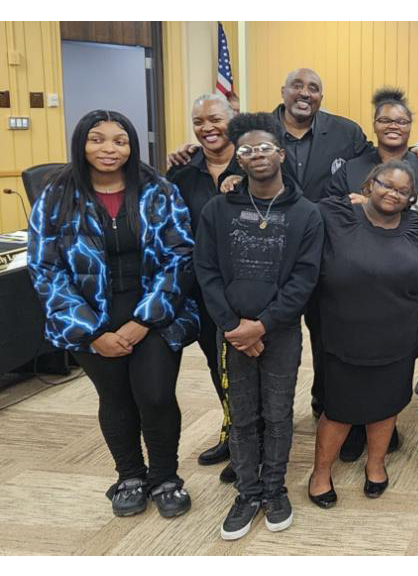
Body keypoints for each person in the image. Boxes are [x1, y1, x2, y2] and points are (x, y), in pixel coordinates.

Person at [27, 110, 198, 519]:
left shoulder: (158, 189)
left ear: (132, 145)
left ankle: (165, 477)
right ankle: (130, 476)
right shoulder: (56, 194)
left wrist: (144, 320)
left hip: (155, 311)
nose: (109, 149)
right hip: (89, 316)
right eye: (97, 139)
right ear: (81, 144)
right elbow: (45, 268)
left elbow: (180, 254)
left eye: (119, 140)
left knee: (155, 395)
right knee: (116, 397)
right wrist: (92, 331)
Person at [194, 112, 324, 540]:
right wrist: (233, 326)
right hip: (230, 333)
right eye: (247, 150)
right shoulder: (218, 209)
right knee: (243, 415)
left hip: (280, 332)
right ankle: (248, 492)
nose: (257, 155)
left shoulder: (306, 214)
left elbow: (304, 278)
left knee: (279, 412)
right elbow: (206, 271)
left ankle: (274, 488)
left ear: (281, 155)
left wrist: (263, 325)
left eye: (265, 148)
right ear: (239, 160)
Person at [308, 160, 418, 507]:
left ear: (411, 198)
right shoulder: (337, 214)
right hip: (344, 336)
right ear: (369, 185)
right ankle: (320, 473)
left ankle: (375, 465)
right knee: (339, 410)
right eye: (386, 185)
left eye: (403, 191)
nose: (393, 193)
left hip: (398, 337)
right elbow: (296, 209)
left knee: (386, 405)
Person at [166, 93, 244, 484]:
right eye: (198, 121)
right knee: (218, 365)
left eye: (215, 119)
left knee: (249, 368)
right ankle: (232, 432)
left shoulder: (254, 163)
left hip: (247, 291)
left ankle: (252, 441)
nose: (207, 127)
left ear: (234, 119)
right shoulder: (181, 172)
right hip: (199, 291)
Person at [327, 87, 418, 199]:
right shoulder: (350, 170)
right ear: (374, 125)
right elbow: (330, 206)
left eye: (401, 122)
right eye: (385, 120)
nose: (393, 126)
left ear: (410, 126)